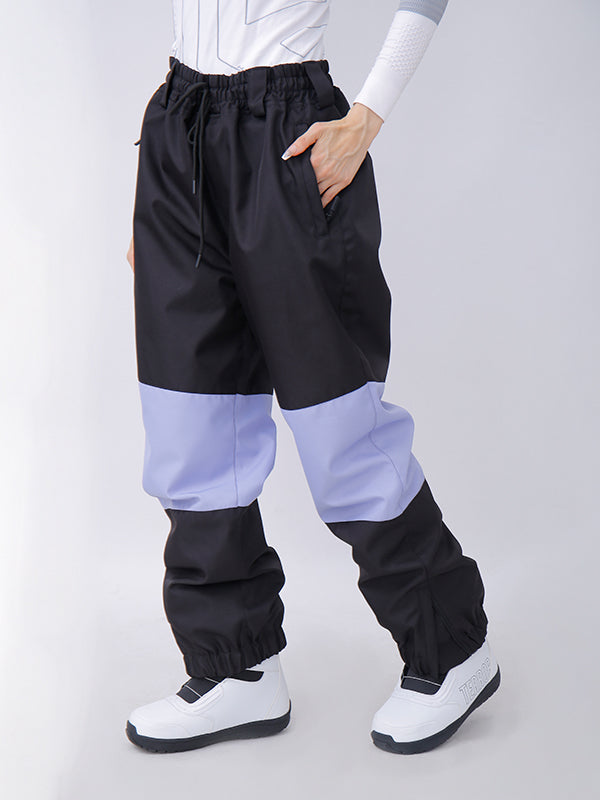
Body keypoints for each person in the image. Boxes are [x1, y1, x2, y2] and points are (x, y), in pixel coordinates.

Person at [125, 0, 501, 755]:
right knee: (191, 430)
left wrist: (366, 117)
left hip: (287, 135)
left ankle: (452, 648)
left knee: (340, 429)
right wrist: (164, 166)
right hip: (179, 126)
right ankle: (236, 666)